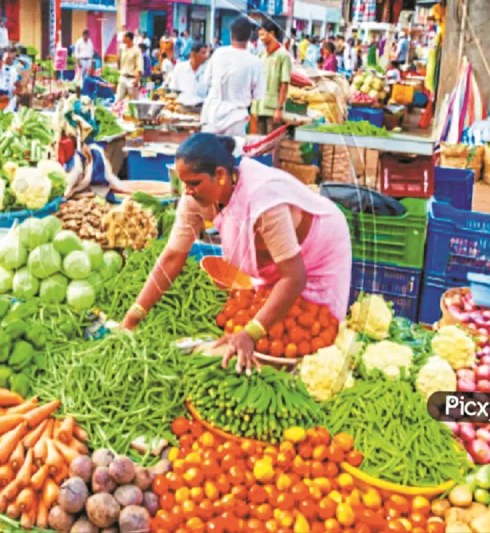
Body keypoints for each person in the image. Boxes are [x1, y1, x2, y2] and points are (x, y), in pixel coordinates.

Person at [119, 133, 352, 373]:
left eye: (194, 183)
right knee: (275, 320)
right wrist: (133, 317)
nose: (187, 191)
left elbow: (294, 277)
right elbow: (172, 257)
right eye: (183, 183)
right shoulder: (194, 198)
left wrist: (251, 333)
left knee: (315, 329)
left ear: (220, 175)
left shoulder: (263, 199)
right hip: (277, 259)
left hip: (320, 245)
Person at [201, 17, 264, 136]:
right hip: (236, 119)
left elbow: (206, 81)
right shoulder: (255, 61)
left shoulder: (218, 54)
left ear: (231, 35)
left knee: (208, 153)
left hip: (212, 115)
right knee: (232, 153)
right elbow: (258, 94)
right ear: (249, 36)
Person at [253, 21, 292, 134]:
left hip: (273, 108)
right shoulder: (261, 55)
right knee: (260, 143)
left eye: (263, 35)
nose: (261, 39)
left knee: (271, 143)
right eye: (259, 36)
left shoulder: (283, 56)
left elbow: (284, 83)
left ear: (272, 34)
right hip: (259, 107)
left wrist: (279, 109)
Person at [166, 41, 209, 107]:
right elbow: (173, 89)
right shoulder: (179, 68)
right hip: (181, 108)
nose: (206, 56)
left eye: (206, 53)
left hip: (201, 109)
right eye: (203, 53)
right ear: (193, 54)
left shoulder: (208, 70)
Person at [116, 32, 143, 101]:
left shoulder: (136, 51)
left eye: (124, 37)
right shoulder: (122, 49)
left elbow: (139, 66)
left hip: (132, 79)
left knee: (134, 101)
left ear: (128, 38)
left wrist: (137, 80)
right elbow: (119, 64)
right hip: (123, 77)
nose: (122, 39)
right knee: (118, 99)